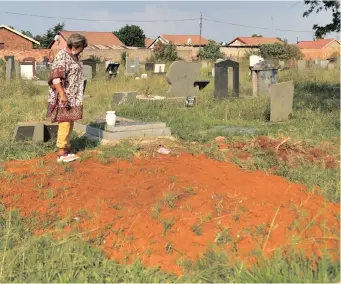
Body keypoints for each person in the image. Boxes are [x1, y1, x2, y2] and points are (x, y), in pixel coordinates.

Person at [47, 33, 88, 162]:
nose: (82, 49)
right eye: (82, 47)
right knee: (64, 122)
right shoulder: (62, 56)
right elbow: (56, 78)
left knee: (70, 122)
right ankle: (61, 153)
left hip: (73, 96)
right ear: (76, 45)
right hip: (64, 96)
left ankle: (66, 148)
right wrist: (63, 94)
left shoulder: (74, 56)